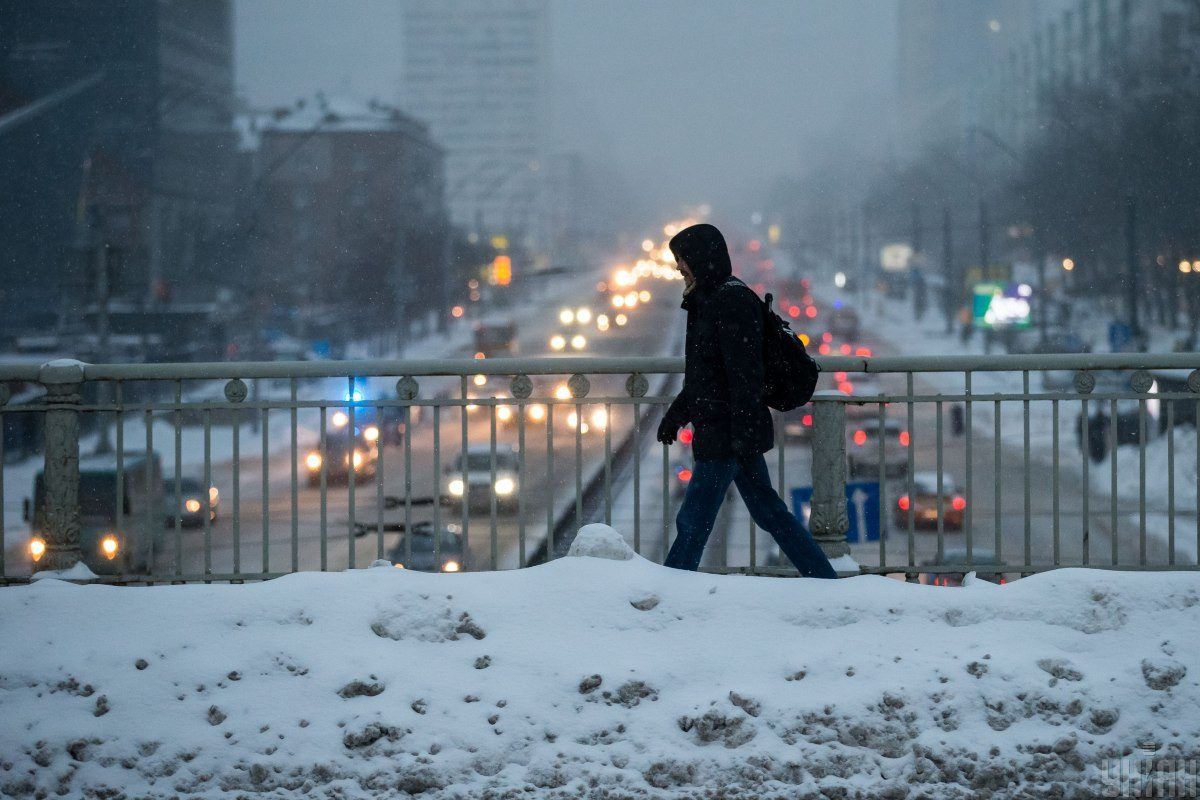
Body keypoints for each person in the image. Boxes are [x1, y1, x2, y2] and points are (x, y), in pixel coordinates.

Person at [656, 223, 837, 578]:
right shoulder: (707, 299)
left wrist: (739, 433)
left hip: (728, 430)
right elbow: (706, 376)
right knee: (770, 513)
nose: (679, 267)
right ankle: (824, 579)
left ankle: (670, 592)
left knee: (693, 520)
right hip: (731, 428)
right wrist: (676, 415)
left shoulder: (730, 300)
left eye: (682, 259)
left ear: (701, 258)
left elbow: (743, 376)